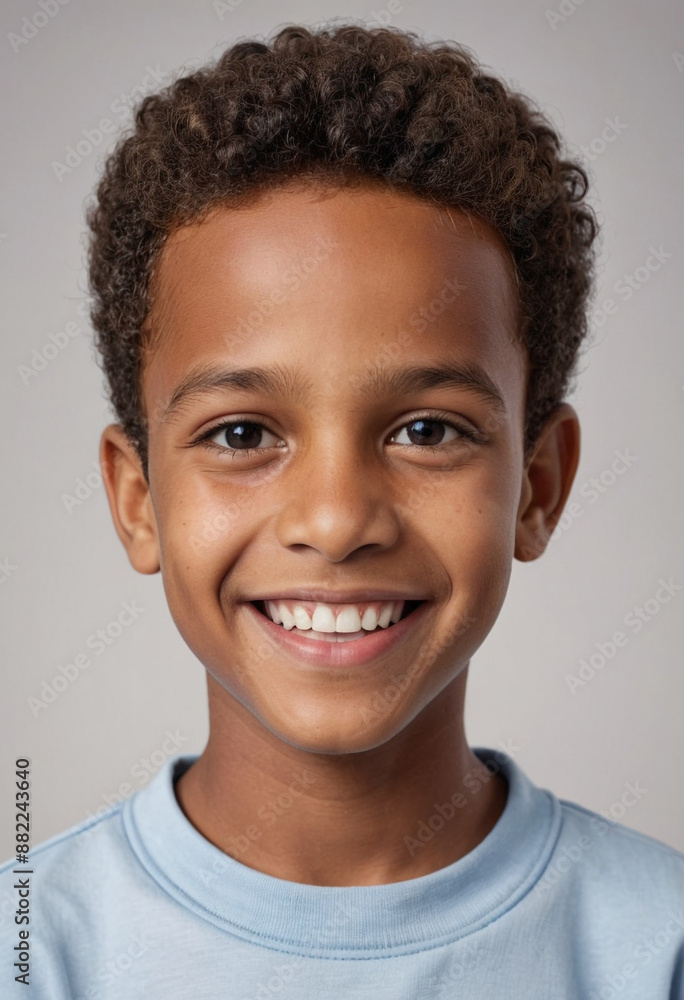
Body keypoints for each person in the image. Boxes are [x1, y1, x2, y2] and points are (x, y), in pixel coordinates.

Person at [2, 21, 683, 999]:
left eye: (428, 430)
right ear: (138, 496)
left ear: (537, 485)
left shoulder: (657, 945)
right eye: (242, 435)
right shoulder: (30, 953)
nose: (334, 519)